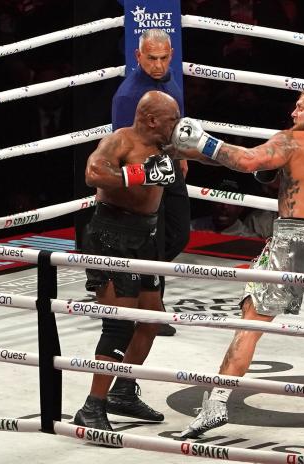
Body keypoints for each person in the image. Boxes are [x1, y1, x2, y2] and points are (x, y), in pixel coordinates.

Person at [170, 88, 304, 437]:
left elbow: (248, 161)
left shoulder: (291, 142)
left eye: (300, 108)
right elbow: (293, 181)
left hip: (293, 239)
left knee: (252, 317)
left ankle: (216, 404)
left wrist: (204, 141)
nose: (292, 114)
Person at [74, 90, 180, 432]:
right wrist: (137, 174)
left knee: (150, 319)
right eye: (171, 120)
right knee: (119, 324)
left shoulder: (167, 145)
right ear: (151, 119)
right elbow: (93, 173)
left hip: (145, 237)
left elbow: (200, 158)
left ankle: (122, 389)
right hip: (110, 234)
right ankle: (92, 406)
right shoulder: (121, 139)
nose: (175, 125)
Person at [105, 28, 190, 339]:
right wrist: (135, 181)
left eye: (163, 57)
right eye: (151, 58)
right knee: (154, 238)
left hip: (170, 162)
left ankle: (133, 281)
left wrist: (180, 155)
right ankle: (151, 305)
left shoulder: (171, 80)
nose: (157, 64)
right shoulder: (128, 95)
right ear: (137, 56)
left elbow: (177, 121)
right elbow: (120, 144)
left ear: (171, 55)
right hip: (145, 171)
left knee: (179, 234)